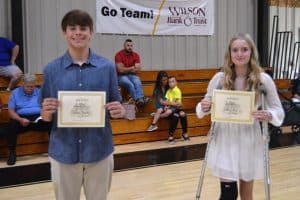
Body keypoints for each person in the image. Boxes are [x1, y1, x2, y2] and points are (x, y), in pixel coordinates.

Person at [39, 10, 125, 200]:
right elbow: (45, 117)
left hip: (99, 151)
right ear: (64, 32)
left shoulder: (107, 68)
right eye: (72, 28)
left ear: (91, 32)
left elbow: (116, 107)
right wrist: (46, 112)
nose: (78, 32)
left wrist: (120, 111)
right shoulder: (52, 69)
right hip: (63, 152)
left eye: (83, 28)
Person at [196, 33, 284, 200]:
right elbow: (204, 105)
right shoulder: (220, 79)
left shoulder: (263, 80)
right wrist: (204, 106)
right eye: (235, 50)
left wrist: (269, 114)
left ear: (251, 52)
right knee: (228, 194)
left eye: (244, 49)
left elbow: (278, 110)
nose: (240, 54)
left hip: (249, 138)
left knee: (246, 194)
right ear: (230, 53)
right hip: (225, 138)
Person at [5, 74, 52, 165]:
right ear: (23, 84)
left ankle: (53, 151)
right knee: (11, 127)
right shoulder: (15, 93)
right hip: (21, 119)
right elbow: (11, 112)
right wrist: (20, 119)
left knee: (52, 123)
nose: (31, 88)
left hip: (37, 118)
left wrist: (44, 114)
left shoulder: (39, 92)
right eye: (28, 86)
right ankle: (12, 153)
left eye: (33, 86)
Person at [115, 39, 149, 107]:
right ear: (124, 46)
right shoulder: (118, 55)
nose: (130, 47)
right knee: (129, 84)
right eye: (128, 45)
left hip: (132, 75)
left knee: (137, 81)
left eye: (131, 46)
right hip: (121, 77)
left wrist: (126, 69)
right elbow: (120, 70)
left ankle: (140, 99)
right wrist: (132, 68)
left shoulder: (135, 55)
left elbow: (138, 69)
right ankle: (138, 99)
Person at [165, 76, 189, 143]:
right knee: (175, 116)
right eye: (169, 82)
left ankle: (184, 133)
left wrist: (168, 104)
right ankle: (171, 135)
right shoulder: (168, 91)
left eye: (173, 81)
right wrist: (166, 106)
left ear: (176, 83)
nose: (171, 83)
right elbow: (166, 100)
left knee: (183, 114)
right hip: (172, 109)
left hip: (177, 108)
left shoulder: (177, 90)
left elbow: (175, 102)